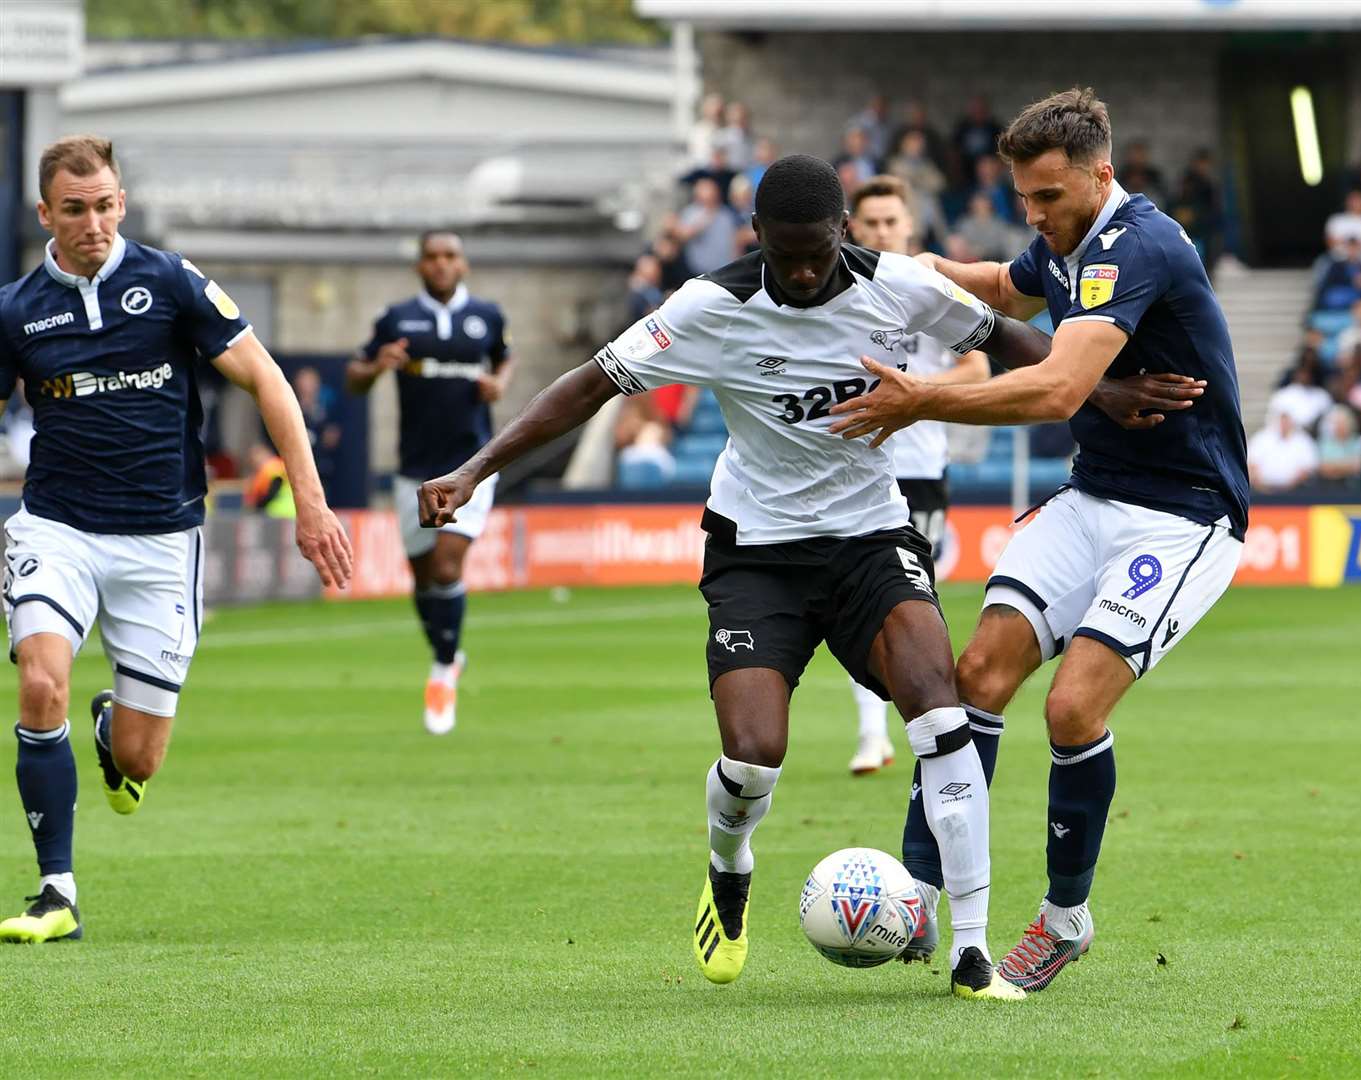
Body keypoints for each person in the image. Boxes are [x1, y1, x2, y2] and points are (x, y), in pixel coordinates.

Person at [417, 154, 1062, 1001]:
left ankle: (972, 953)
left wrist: (1114, 394)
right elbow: (586, 388)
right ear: (756, 235)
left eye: (816, 252)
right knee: (755, 758)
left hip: (870, 538)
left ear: (841, 234)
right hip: (756, 552)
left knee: (942, 714)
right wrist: (474, 470)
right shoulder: (709, 306)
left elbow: (1025, 349)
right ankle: (730, 867)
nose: (800, 271)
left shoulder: (903, 287)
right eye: (784, 252)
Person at [829, 87, 1248, 993]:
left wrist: (922, 397)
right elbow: (1003, 283)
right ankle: (921, 890)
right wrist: (893, 265)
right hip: (1093, 492)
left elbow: (1058, 389)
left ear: (1102, 174)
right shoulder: (1065, 239)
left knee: (1070, 709)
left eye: (1049, 197)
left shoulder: (1139, 246)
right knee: (974, 678)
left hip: (1183, 514)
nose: (1035, 215)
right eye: (1024, 196)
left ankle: (1065, 920)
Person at [0, 135, 352, 943]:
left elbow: (264, 377)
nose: (93, 223)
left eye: (106, 205)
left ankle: (110, 732)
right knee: (39, 685)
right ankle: (57, 893)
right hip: (58, 528)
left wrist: (311, 503)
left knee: (140, 760)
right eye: (76, 209)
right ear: (46, 213)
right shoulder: (15, 310)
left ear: (121, 202)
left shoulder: (168, 281)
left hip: (162, 539)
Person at [842, 175, 991, 776]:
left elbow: (979, 369)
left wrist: (917, 392)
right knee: (854, 598)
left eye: (890, 222)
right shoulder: (840, 292)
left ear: (909, 227)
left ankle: (924, 723)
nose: (881, 232)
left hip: (920, 469)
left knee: (911, 600)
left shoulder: (929, 292)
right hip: (853, 468)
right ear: (853, 226)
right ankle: (871, 732)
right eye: (870, 222)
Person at [346, 230, 511, 735]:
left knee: (445, 565)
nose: (441, 264)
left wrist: (498, 384)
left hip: (471, 467)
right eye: (432, 257)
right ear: (420, 266)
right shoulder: (397, 320)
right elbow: (354, 377)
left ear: (463, 264)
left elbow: (504, 356)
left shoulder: (487, 316)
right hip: (414, 470)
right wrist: (377, 366)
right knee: (421, 577)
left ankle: (442, 671)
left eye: (450, 256)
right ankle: (447, 652)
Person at [1247, 411, 1318, 491]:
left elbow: (1308, 467)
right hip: (1262, 491)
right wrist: (1261, 485)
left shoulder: (1303, 441)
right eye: (1282, 421)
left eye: (1286, 422)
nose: (1284, 425)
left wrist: (1291, 486)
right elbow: (1251, 463)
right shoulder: (1262, 438)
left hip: (1296, 491)